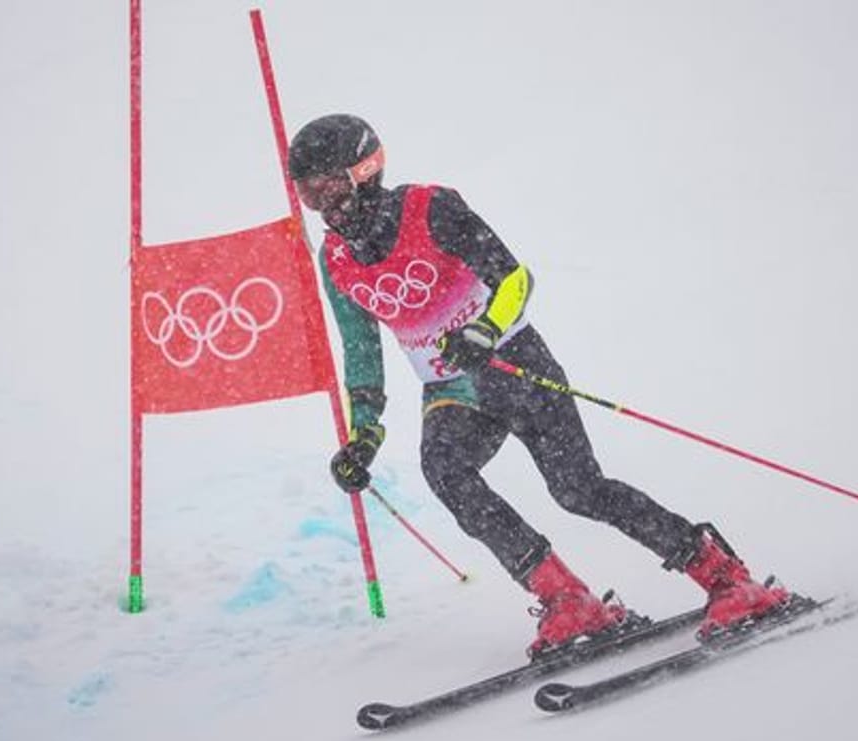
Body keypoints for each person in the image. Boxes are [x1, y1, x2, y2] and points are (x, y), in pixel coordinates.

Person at [288, 113, 791, 658]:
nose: (326, 206)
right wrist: (364, 436)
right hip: (454, 392)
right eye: (310, 195)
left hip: (515, 367)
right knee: (448, 474)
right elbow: (361, 349)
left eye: (331, 186)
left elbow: (515, 277)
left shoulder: (430, 208)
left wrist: (486, 329)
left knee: (578, 490)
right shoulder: (336, 260)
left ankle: (727, 578)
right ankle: (567, 600)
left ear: (366, 171)